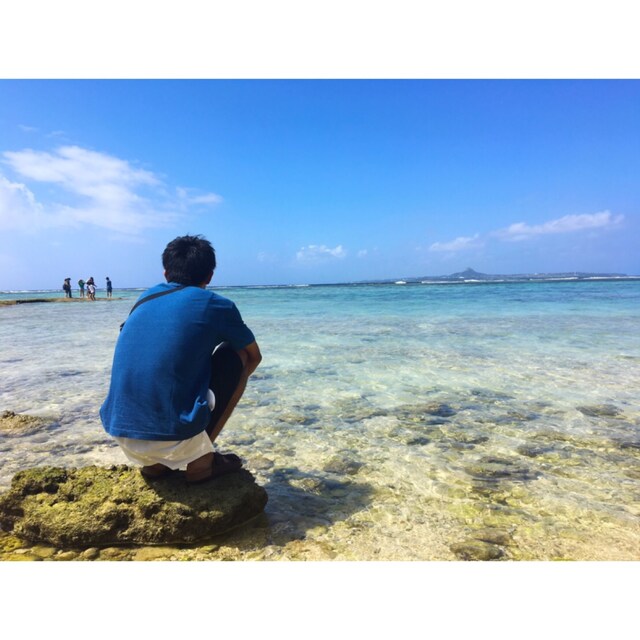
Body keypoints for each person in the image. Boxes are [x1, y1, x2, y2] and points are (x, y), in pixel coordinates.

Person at [100, 234, 262, 483]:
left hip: (122, 434)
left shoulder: (145, 298)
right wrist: (214, 388)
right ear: (210, 276)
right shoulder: (216, 305)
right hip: (174, 436)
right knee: (237, 354)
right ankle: (201, 461)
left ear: (165, 273)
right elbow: (254, 357)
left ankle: (155, 464)